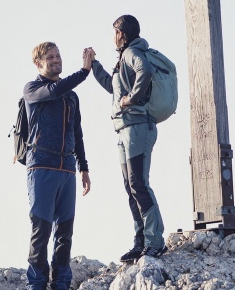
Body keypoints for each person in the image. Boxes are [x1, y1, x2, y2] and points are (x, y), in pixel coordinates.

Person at [88, 15, 165, 261]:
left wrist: (131, 99)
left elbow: (146, 70)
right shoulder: (124, 58)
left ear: (121, 33)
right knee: (131, 186)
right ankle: (140, 241)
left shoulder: (132, 52)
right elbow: (113, 88)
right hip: (125, 129)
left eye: (114, 32)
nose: (113, 37)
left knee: (138, 184)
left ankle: (154, 241)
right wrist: (94, 65)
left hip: (138, 128)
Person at [22, 42, 95, 290]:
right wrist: (83, 72)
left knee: (65, 231)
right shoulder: (32, 89)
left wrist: (83, 168)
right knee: (41, 230)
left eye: (58, 56)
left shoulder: (71, 96)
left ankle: (61, 282)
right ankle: (36, 283)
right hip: (41, 166)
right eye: (50, 57)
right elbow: (53, 91)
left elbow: (77, 133)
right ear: (38, 64)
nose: (57, 60)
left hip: (67, 169)